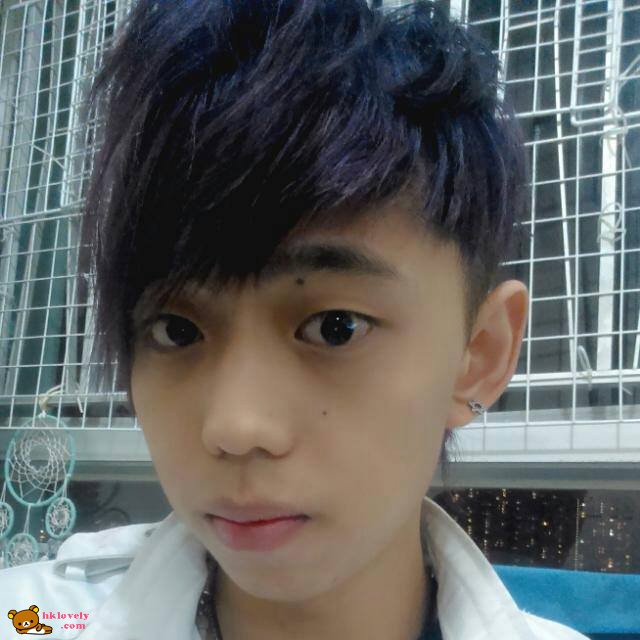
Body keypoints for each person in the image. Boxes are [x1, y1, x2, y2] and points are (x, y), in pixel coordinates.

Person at [1, 1, 588, 638]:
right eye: (176, 331)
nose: (235, 428)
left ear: (481, 354)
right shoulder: (31, 618)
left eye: (336, 327)